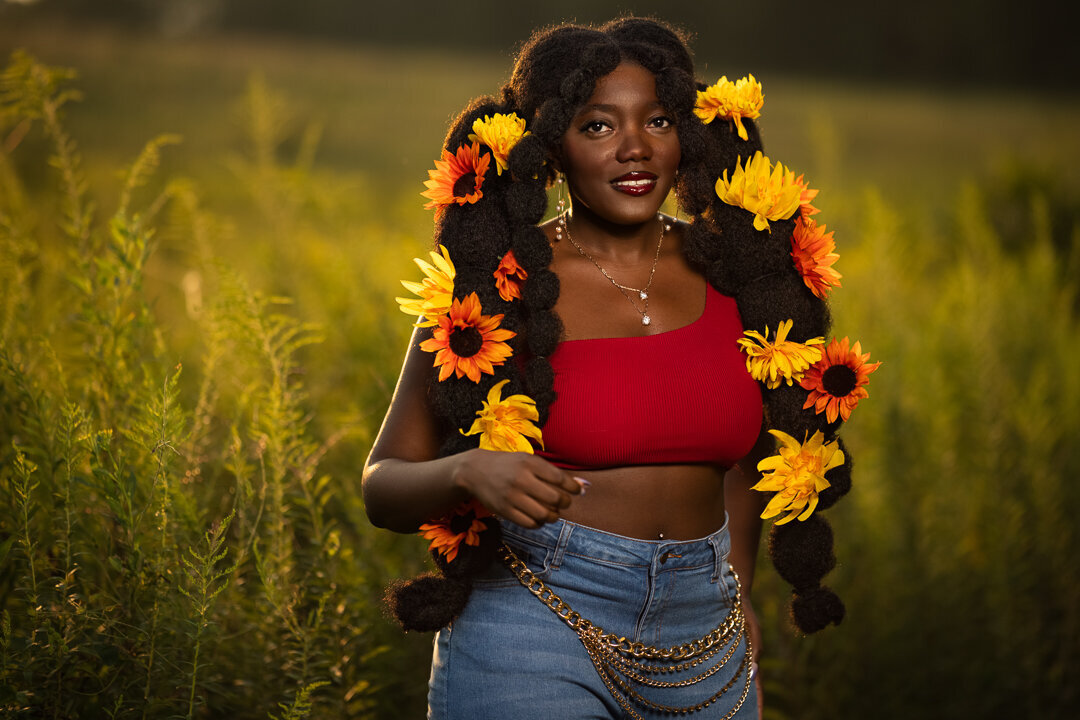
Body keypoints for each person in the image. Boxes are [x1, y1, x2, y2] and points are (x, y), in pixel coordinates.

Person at [363, 16, 877, 719]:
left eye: (658, 121)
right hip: (533, 623)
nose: (635, 149)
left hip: (704, 638)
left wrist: (739, 591)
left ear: (686, 136)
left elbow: (746, 460)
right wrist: (466, 470)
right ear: (552, 148)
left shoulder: (742, 276)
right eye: (598, 126)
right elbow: (381, 486)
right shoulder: (491, 288)